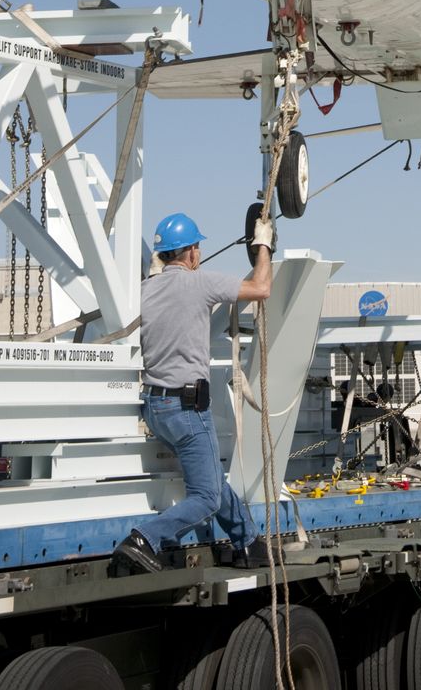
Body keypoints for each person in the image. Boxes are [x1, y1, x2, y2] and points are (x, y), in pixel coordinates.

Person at [111, 210, 273, 574]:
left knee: (209, 478)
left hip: (155, 408)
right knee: (208, 496)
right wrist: (263, 245)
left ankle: (247, 541)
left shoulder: (145, 290)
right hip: (186, 410)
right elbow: (261, 288)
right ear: (192, 252)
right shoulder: (200, 283)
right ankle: (144, 539)